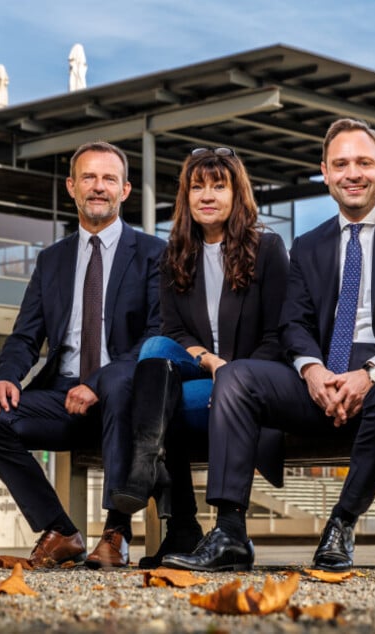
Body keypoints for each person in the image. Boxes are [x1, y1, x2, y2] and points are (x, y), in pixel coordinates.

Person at [163, 118, 375, 573]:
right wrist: (312, 370)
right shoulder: (307, 245)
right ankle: (229, 533)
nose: (352, 173)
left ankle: (341, 523)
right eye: (341, 164)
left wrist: (372, 371)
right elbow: (293, 324)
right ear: (325, 172)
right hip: (321, 379)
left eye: (363, 162)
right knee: (238, 376)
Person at [0, 141, 165, 570]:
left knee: (116, 382)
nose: (99, 187)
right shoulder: (52, 260)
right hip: (62, 397)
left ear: (125, 190)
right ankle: (61, 530)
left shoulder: (154, 253)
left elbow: (155, 336)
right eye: (89, 178)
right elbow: (25, 336)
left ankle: (115, 532)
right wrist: (6, 378)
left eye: (109, 179)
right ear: (71, 187)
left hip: (126, 399)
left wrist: (97, 383)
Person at [109, 147, 289, 568]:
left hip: (253, 387)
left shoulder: (268, 248)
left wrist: (234, 381)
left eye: (218, 186)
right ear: (186, 197)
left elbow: (280, 335)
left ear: (236, 193)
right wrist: (210, 362)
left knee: (155, 394)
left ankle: (177, 519)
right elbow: (172, 331)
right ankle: (162, 490)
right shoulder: (175, 255)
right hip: (200, 372)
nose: (207, 195)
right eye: (197, 186)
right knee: (155, 351)